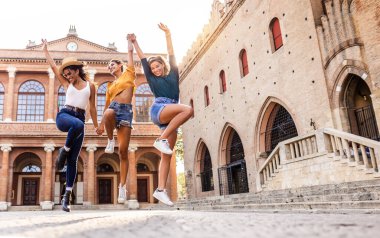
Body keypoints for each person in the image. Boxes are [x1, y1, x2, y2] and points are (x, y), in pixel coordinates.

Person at [130, 23, 193, 206]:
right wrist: (135, 42)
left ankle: (160, 190)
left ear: (163, 66)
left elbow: (171, 52)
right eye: (153, 68)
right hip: (160, 109)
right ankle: (161, 139)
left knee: (167, 154)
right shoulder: (152, 80)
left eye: (158, 66)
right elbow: (142, 59)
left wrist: (168, 34)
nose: (156, 70)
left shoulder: (173, 73)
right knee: (188, 110)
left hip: (171, 116)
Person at [42, 39, 98, 212]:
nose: (67, 76)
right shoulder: (67, 84)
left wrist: (97, 126)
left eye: (69, 73)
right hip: (65, 116)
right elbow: (52, 67)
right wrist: (46, 51)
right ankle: (64, 149)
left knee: (73, 161)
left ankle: (66, 198)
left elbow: (93, 108)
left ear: (77, 70)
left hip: (80, 121)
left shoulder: (91, 86)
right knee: (77, 125)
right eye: (65, 74)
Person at [96, 34, 136, 204]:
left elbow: (129, 54)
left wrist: (130, 42)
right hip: (113, 109)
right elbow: (106, 107)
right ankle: (110, 140)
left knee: (123, 152)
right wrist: (100, 125)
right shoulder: (109, 87)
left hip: (126, 112)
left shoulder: (129, 74)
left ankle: (122, 186)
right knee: (108, 113)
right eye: (108, 66)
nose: (109, 67)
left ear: (120, 65)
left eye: (112, 64)